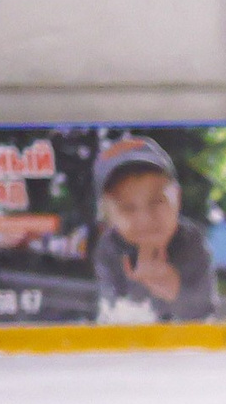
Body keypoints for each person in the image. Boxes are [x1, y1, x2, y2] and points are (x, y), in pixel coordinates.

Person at [91, 135, 217, 323]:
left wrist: (176, 292)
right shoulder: (109, 248)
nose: (145, 219)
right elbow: (110, 313)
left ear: (178, 199)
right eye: (127, 208)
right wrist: (141, 287)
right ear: (109, 218)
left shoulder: (191, 241)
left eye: (157, 201)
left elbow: (207, 314)